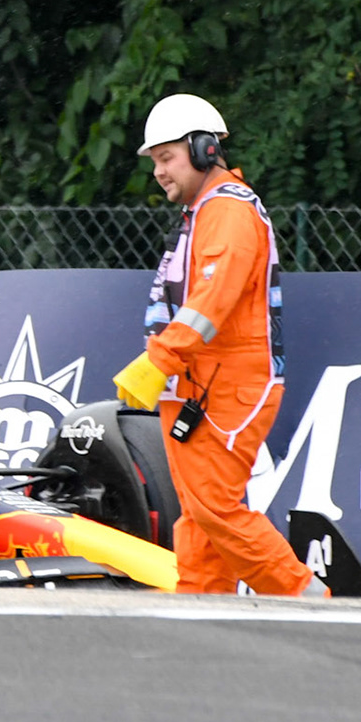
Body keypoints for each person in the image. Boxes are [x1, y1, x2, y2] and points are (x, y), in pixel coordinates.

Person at [112, 93, 319, 597]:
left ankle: (310, 601)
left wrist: (158, 359)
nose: (159, 172)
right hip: (198, 386)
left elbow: (212, 301)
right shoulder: (206, 210)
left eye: (167, 158)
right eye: (155, 161)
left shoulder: (227, 209)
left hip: (226, 386)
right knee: (199, 516)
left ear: (205, 149)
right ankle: (204, 607)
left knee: (213, 508)